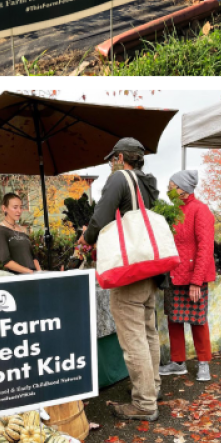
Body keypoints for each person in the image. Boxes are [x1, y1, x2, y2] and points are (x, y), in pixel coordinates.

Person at [72, 137, 163, 421]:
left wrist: (85, 240)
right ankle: (152, 388)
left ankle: (145, 403)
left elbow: (99, 219)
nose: (112, 163)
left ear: (122, 158)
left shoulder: (119, 179)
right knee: (149, 333)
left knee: (133, 337)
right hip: (150, 268)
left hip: (129, 269)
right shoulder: (148, 183)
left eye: (113, 158)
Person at [159, 170, 217, 382]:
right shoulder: (172, 211)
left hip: (194, 275)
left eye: (171, 185)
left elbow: (205, 248)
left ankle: (203, 363)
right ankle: (178, 362)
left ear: (182, 189)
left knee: (198, 320)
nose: (168, 189)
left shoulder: (200, 210)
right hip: (173, 273)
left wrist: (196, 281)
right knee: (174, 320)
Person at [0, 192, 42, 276]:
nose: (19, 211)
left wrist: (40, 272)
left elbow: (33, 256)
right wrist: (28, 272)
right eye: (15, 207)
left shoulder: (23, 230)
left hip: (33, 276)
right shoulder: (0, 231)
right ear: (4, 208)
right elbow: (6, 261)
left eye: (21, 207)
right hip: (18, 278)